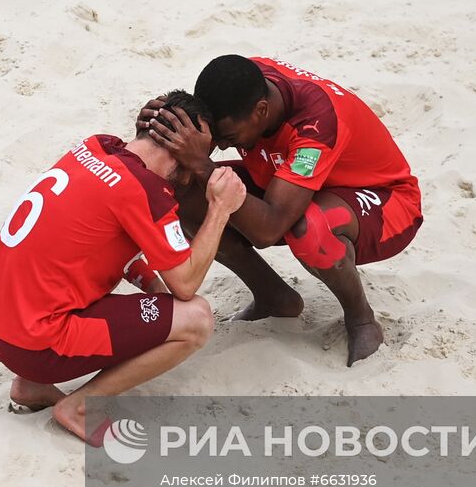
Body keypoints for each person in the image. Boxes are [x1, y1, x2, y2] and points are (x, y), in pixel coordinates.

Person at [0, 90, 247, 443]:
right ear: (182, 148)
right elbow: (186, 285)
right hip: (33, 345)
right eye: (199, 154)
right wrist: (220, 209)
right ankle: (80, 407)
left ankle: (31, 385)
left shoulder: (95, 146)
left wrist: (155, 296)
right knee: (196, 319)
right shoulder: (144, 189)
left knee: (85, 286)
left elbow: (106, 246)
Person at [138, 56, 422, 366]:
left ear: (262, 111)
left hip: (383, 201)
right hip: (292, 179)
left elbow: (269, 229)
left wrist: (203, 164)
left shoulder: (316, 125)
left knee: (309, 228)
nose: (218, 145)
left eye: (228, 139)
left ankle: (361, 318)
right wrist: (161, 127)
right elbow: (194, 151)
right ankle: (274, 297)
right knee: (183, 189)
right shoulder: (245, 84)